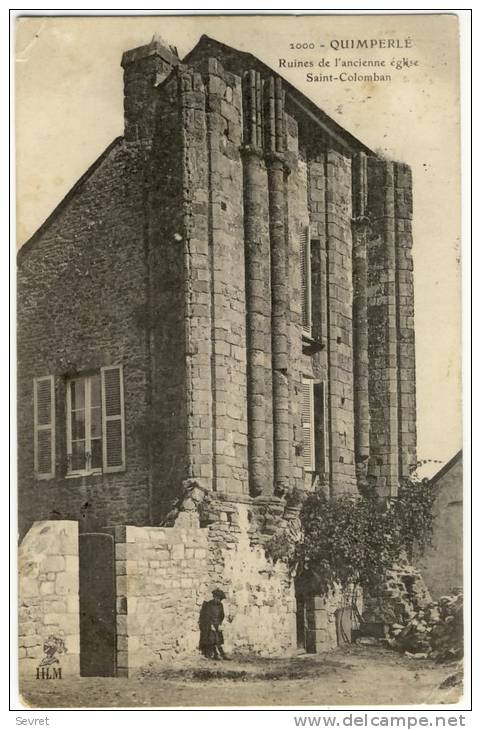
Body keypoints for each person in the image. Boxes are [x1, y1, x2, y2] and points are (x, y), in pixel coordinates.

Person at [199, 588, 229, 660]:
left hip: (217, 624)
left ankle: (222, 654)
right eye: (217, 598)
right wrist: (211, 625)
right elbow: (207, 616)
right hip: (210, 625)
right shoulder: (209, 605)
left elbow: (222, 615)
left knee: (218, 640)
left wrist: (220, 624)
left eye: (220, 599)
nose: (218, 600)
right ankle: (215, 654)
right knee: (212, 640)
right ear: (214, 597)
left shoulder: (220, 605)